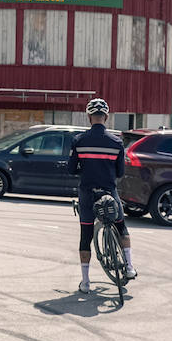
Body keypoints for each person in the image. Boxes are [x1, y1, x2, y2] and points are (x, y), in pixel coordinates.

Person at [67, 97, 137, 295]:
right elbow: (120, 172)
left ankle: (86, 282)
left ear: (89, 117)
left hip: (88, 193)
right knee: (121, 226)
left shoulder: (79, 141)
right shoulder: (116, 142)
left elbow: (71, 169)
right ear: (106, 117)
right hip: (109, 191)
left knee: (85, 236)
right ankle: (130, 267)